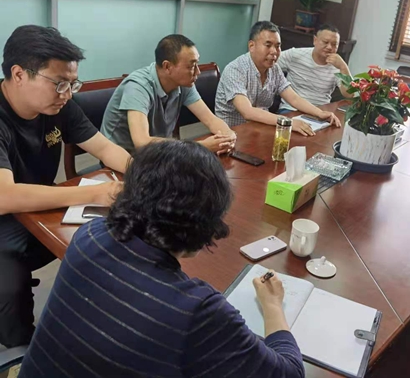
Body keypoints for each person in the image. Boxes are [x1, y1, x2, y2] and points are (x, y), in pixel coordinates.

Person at [19, 141, 305, 378]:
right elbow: (289, 373)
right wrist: (272, 306)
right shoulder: (196, 310)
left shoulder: (90, 234)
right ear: (205, 224)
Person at [0, 25, 129, 348]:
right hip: (5, 216)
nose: (67, 93)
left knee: (108, 239)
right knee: (10, 286)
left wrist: (144, 174)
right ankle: (21, 353)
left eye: (72, 84)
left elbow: (105, 148)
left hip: (40, 207)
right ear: (19, 74)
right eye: (59, 83)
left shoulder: (60, 104)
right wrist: (94, 193)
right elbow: (5, 196)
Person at [101, 34, 236, 154]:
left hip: (159, 153)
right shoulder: (138, 87)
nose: (198, 72)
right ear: (167, 66)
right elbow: (142, 142)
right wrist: (200, 146)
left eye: (197, 64)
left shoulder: (184, 83)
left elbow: (211, 120)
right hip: (122, 158)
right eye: (191, 66)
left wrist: (228, 136)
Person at [215, 21, 341, 136]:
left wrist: (320, 113)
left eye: (277, 46)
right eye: (268, 45)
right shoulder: (235, 69)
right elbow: (247, 112)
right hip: (230, 134)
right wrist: (288, 122)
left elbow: (294, 98)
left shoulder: (274, 69)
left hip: (259, 131)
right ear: (252, 46)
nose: (274, 51)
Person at [277, 24, 352, 112]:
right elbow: (270, 63)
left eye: (334, 44)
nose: (329, 47)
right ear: (315, 40)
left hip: (321, 110)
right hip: (291, 109)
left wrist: (343, 67)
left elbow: (349, 94)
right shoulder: (295, 55)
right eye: (325, 42)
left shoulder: (338, 65)